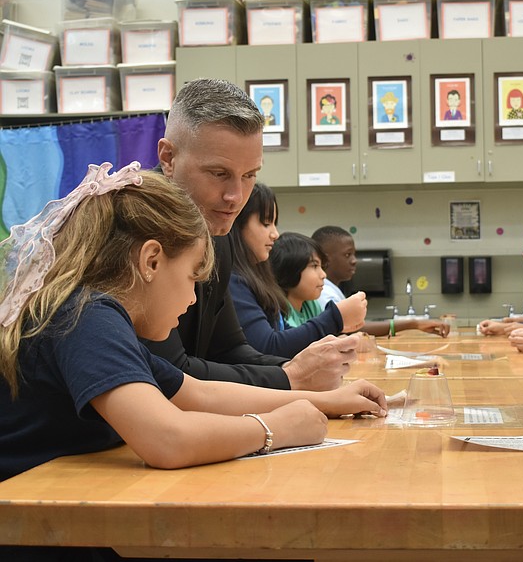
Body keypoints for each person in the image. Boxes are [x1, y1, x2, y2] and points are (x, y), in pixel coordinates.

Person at [0, 164, 387, 561]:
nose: (191, 300)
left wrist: (328, 402)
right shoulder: (87, 315)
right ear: (151, 261)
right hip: (29, 531)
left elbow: (195, 392)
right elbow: (167, 440)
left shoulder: (100, 316)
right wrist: (274, 429)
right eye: (191, 278)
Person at [149, 78, 353, 392]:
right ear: (168, 158)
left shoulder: (219, 234)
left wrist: (306, 367)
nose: (235, 197)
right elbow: (170, 373)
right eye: (219, 174)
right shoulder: (137, 233)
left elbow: (229, 351)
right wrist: (291, 378)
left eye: (249, 176)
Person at [229, 185, 368, 358]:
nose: (275, 234)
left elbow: (286, 341)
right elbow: (269, 347)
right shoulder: (234, 282)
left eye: (275, 223)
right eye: (266, 223)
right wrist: (336, 317)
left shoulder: (257, 282)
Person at [312, 226, 449, 338]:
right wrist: (413, 323)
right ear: (326, 259)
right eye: (347, 255)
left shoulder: (332, 290)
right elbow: (350, 328)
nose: (354, 260)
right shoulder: (324, 293)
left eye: (354, 254)